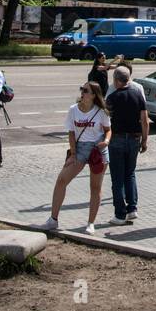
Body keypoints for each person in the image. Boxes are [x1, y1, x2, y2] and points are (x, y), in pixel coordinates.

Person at [39, 81, 111, 234]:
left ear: (93, 95)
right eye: (82, 89)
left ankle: (91, 223)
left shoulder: (101, 112)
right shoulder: (73, 110)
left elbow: (108, 130)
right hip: (80, 149)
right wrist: (72, 154)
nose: (82, 92)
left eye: (86, 90)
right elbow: (71, 133)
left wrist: (106, 141)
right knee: (61, 180)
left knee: (95, 187)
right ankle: (53, 219)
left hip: (97, 150)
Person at [105, 65, 148, 225]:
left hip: (116, 140)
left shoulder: (112, 98)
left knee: (117, 178)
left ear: (116, 80)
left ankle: (119, 214)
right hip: (134, 139)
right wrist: (144, 140)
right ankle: (132, 209)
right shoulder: (138, 95)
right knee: (130, 174)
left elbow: (105, 120)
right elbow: (144, 120)